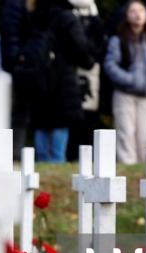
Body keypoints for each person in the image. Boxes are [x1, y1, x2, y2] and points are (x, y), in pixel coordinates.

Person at [29, 0, 96, 163]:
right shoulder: (66, 17)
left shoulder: (33, 15)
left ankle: (42, 172)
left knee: (41, 125)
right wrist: (89, 60)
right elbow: (80, 46)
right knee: (59, 128)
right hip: (62, 79)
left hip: (37, 77)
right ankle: (54, 168)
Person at [103, 0, 146, 165]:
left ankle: (142, 169)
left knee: (143, 134)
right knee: (126, 132)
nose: (138, 15)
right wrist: (129, 79)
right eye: (133, 11)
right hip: (125, 94)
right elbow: (110, 64)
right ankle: (127, 167)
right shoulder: (118, 40)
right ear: (126, 15)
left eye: (141, 11)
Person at [65, 0, 107, 162]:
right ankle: (72, 155)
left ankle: (87, 158)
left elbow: (101, 41)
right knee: (72, 115)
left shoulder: (94, 14)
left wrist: (91, 59)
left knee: (89, 117)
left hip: (91, 72)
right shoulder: (65, 11)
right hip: (70, 70)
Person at [0, 0, 33, 160]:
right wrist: (17, 62)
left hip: (25, 63)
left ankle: (16, 154)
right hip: (14, 65)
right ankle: (11, 154)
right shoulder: (14, 4)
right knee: (14, 113)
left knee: (21, 114)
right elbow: (10, 36)